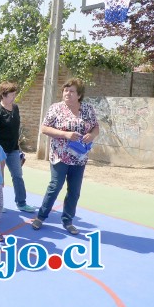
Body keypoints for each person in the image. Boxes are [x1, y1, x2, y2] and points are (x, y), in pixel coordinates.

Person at [31, 79, 99, 235]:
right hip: (60, 155)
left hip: (80, 157)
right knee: (55, 186)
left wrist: (92, 135)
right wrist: (65, 134)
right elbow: (44, 128)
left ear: (79, 94)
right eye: (66, 90)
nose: (67, 93)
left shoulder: (88, 109)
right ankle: (41, 217)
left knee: (74, 191)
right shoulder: (56, 108)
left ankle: (68, 220)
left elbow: (96, 127)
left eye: (72, 91)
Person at [0, 81, 35, 213]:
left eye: (15, 94)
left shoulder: (15, 108)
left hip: (14, 150)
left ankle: (21, 203)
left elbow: (15, 130)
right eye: (11, 94)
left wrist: (19, 148)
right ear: (3, 95)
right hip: (0, 150)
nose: (14, 97)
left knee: (18, 176)